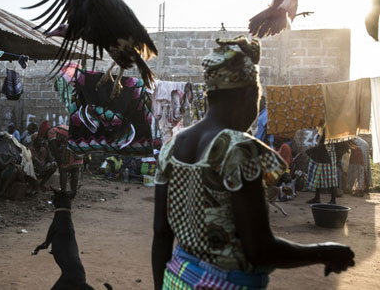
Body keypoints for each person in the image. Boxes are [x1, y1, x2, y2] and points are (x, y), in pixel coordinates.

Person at [151, 36, 354, 290]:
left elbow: (161, 233)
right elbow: (260, 250)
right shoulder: (238, 148)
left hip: (176, 281)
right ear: (249, 94)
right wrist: (324, 251)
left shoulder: (171, 147)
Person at [48, 124, 83, 192]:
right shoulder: (61, 127)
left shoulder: (51, 131)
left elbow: (54, 147)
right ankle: (73, 191)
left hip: (69, 146)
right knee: (75, 169)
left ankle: (63, 191)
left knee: (63, 169)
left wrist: (58, 158)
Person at [306, 134, 340, 205]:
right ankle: (317, 198)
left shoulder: (330, 131)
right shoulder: (322, 131)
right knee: (318, 177)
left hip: (329, 154)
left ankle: (333, 200)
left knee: (332, 178)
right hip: (322, 153)